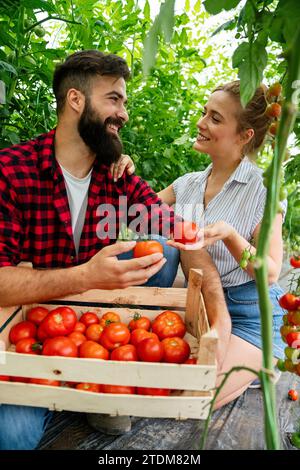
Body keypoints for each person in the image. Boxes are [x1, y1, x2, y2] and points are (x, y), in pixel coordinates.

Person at [0, 50, 183, 449]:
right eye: (114, 99)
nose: (124, 114)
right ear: (76, 101)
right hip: (35, 335)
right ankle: (64, 387)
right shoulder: (12, 170)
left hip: (98, 334)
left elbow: (172, 228)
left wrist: (215, 298)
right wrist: (87, 276)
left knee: (164, 252)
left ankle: (101, 374)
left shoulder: (114, 173)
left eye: (125, 102)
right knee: (9, 434)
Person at [115, 80, 287, 409]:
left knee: (194, 400)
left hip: (253, 313)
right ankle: (249, 367)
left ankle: (261, 360)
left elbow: (269, 272)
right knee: (163, 386)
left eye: (216, 118)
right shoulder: (187, 186)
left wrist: (230, 235)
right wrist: (124, 172)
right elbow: (136, 217)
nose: (201, 123)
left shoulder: (263, 191)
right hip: (204, 305)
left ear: (244, 135)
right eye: (204, 112)